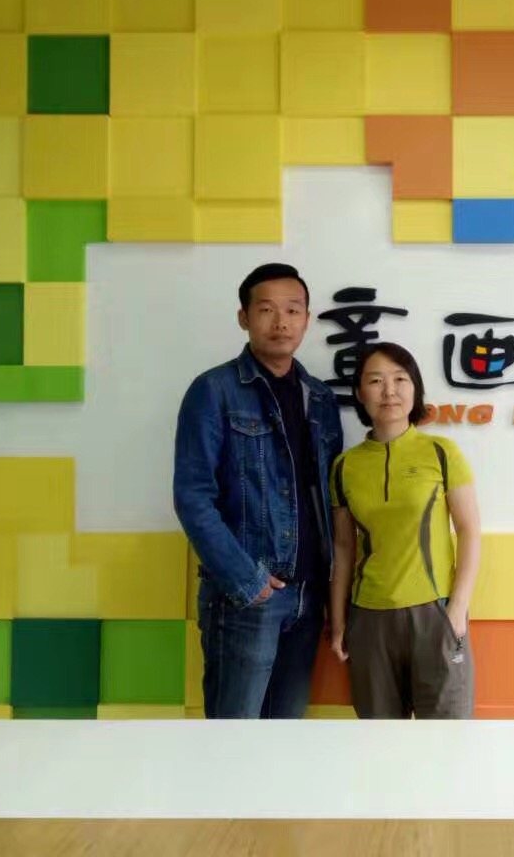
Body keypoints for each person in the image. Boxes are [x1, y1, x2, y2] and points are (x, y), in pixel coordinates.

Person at [174, 263, 343, 719]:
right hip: (247, 595)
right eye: (266, 309)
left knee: (283, 735)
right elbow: (192, 496)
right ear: (243, 317)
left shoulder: (320, 399)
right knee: (235, 735)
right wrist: (246, 580)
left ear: (307, 319)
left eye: (293, 310)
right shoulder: (214, 391)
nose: (281, 321)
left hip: (309, 594)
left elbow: (328, 496)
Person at [328, 342, 483, 719]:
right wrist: (338, 622)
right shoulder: (345, 466)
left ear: (415, 388)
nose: (389, 391)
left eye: (400, 379)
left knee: (446, 738)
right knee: (380, 741)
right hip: (369, 618)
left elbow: (469, 530)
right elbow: (344, 549)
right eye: (375, 381)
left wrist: (457, 607)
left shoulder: (441, 452)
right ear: (359, 393)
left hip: (435, 612)